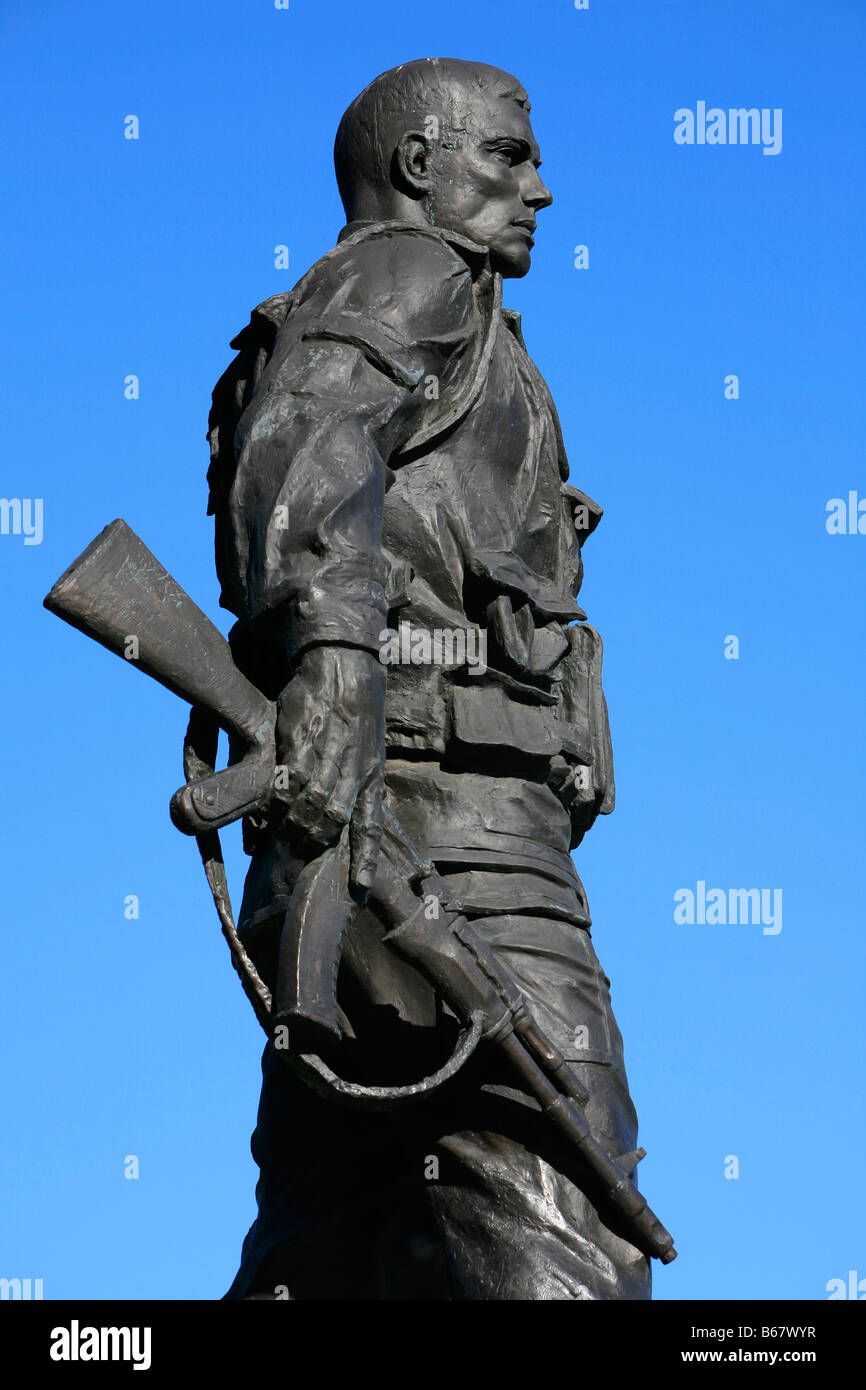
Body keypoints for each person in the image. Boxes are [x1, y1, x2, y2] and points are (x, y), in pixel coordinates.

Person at [210, 57, 652, 1300]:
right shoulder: (410, 271)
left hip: (370, 832)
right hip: (440, 833)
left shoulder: (418, 309)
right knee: (564, 1199)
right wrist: (340, 664)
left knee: (335, 1247)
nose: (539, 189)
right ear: (420, 167)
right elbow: (311, 434)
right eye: (508, 157)